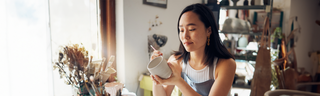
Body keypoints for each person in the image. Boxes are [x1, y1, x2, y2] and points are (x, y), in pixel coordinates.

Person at [150, 3, 236, 96]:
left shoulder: (226, 65)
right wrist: (157, 73)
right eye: (181, 30)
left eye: (191, 29)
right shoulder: (176, 61)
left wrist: (179, 82)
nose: (185, 36)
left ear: (209, 30)